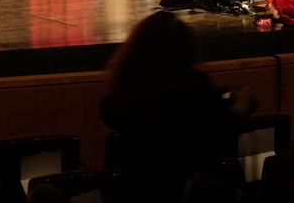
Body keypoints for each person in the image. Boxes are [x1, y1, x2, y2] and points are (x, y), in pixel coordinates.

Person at [100, 12, 249, 203]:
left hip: (140, 189)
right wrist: (241, 106)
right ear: (186, 47)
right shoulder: (195, 85)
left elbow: (108, 111)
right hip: (187, 189)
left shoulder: (131, 89)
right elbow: (218, 132)